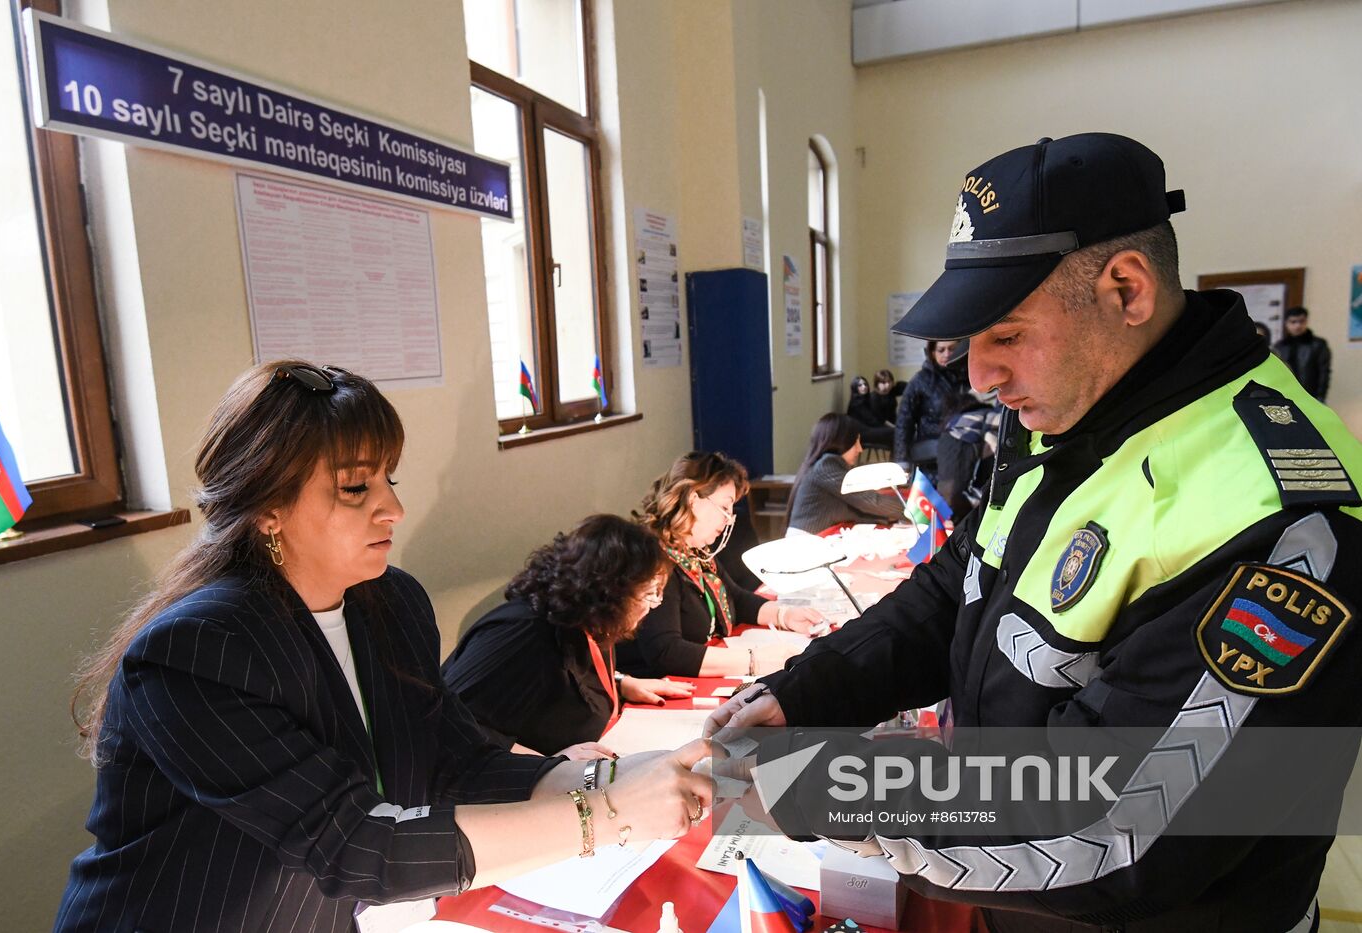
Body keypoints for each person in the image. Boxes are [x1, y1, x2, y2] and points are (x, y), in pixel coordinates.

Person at [706, 134, 1362, 932]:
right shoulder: (1069, 406)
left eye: (1006, 334)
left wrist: (816, 785)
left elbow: (1127, 817)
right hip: (1008, 897)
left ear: (1126, 289)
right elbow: (960, 583)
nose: (978, 376)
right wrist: (805, 691)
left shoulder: (1285, 511)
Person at [55, 362, 713, 933]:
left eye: (388, 479)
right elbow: (354, 845)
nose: (392, 508)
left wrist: (634, 773)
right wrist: (607, 814)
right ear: (268, 506)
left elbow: (459, 764)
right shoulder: (195, 652)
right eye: (356, 487)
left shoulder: (387, 603)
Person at [443, 514, 694, 758]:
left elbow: (564, 682)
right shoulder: (523, 633)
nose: (654, 604)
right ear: (610, 592)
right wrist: (548, 765)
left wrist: (621, 684)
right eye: (650, 593)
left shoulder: (590, 622)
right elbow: (448, 723)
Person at [616, 451, 827, 678]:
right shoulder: (655, 561)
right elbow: (666, 651)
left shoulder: (695, 552)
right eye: (724, 508)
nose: (728, 519)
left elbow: (734, 597)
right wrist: (754, 660)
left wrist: (784, 615)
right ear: (693, 500)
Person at [785, 413, 907, 534]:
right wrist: (917, 510)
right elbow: (869, 500)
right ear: (841, 442)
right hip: (805, 545)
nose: (860, 449)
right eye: (855, 443)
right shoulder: (827, 465)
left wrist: (892, 516)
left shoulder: (823, 466)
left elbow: (852, 511)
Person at [893, 338, 968, 480]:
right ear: (932, 353)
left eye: (951, 349)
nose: (947, 354)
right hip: (931, 459)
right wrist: (902, 462)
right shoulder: (920, 380)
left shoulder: (969, 377)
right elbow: (904, 422)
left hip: (965, 454)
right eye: (941, 350)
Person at [935, 388, 1002, 522]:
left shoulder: (953, 421)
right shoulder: (986, 416)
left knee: (950, 499)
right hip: (964, 445)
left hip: (948, 441)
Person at [1273, 305, 1331, 401]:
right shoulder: (1280, 347)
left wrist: (1320, 397)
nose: (1298, 325)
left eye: (1301, 321)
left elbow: (1324, 373)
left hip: (1310, 395)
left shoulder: (1318, 345)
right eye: (1293, 322)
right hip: (1286, 395)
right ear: (1286, 323)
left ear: (1306, 322)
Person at [846, 375, 896, 450]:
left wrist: (893, 426)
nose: (864, 387)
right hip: (861, 434)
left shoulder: (867, 400)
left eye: (865, 384)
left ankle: (896, 456)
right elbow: (873, 421)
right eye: (860, 385)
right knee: (893, 433)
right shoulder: (857, 403)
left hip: (869, 429)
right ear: (855, 388)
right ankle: (898, 457)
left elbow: (879, 418)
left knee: (895, 431)